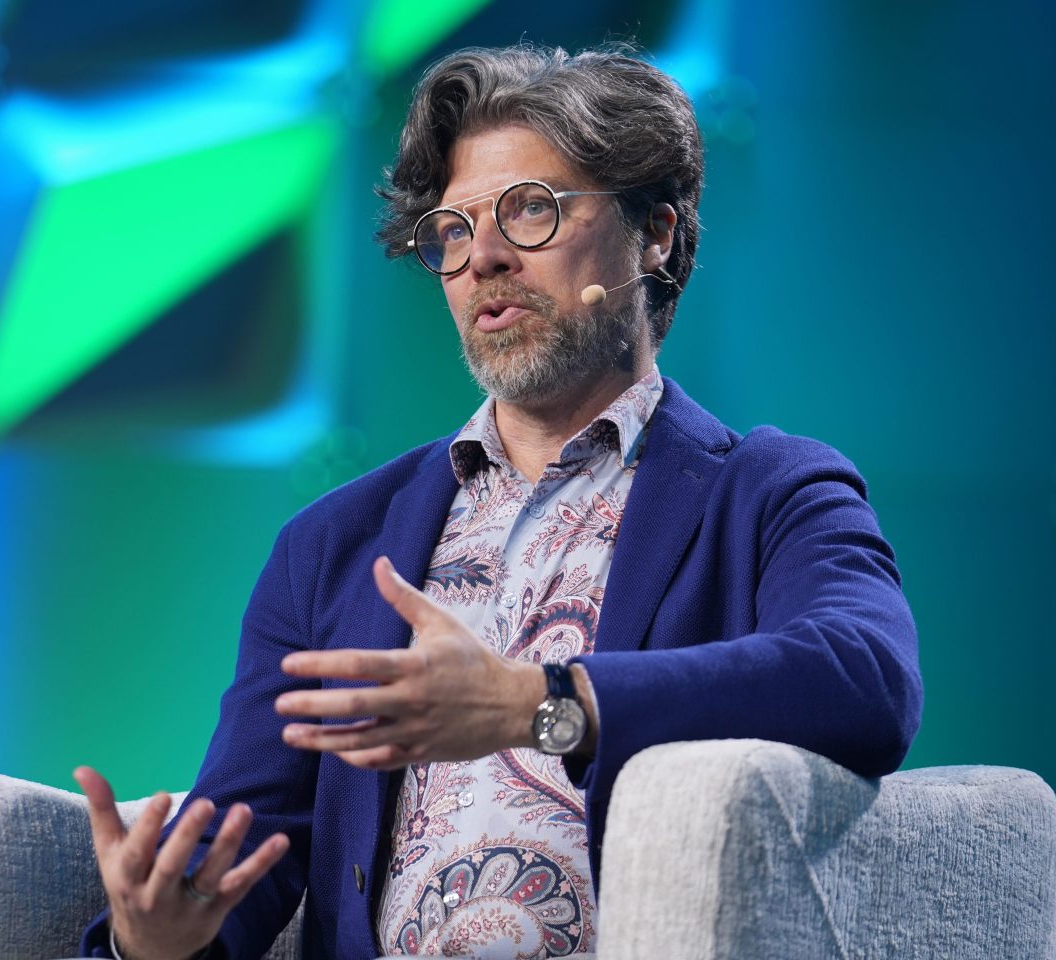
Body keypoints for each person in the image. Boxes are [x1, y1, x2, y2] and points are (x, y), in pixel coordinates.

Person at [74, 41, 922, 960]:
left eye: (530, 212)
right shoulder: (330, 545)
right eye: (451, 229)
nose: (481, 258)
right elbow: (242, 855)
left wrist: (539, 704)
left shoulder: (767, 492)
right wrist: (153, 933)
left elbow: (865, 679)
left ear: (656, 234)